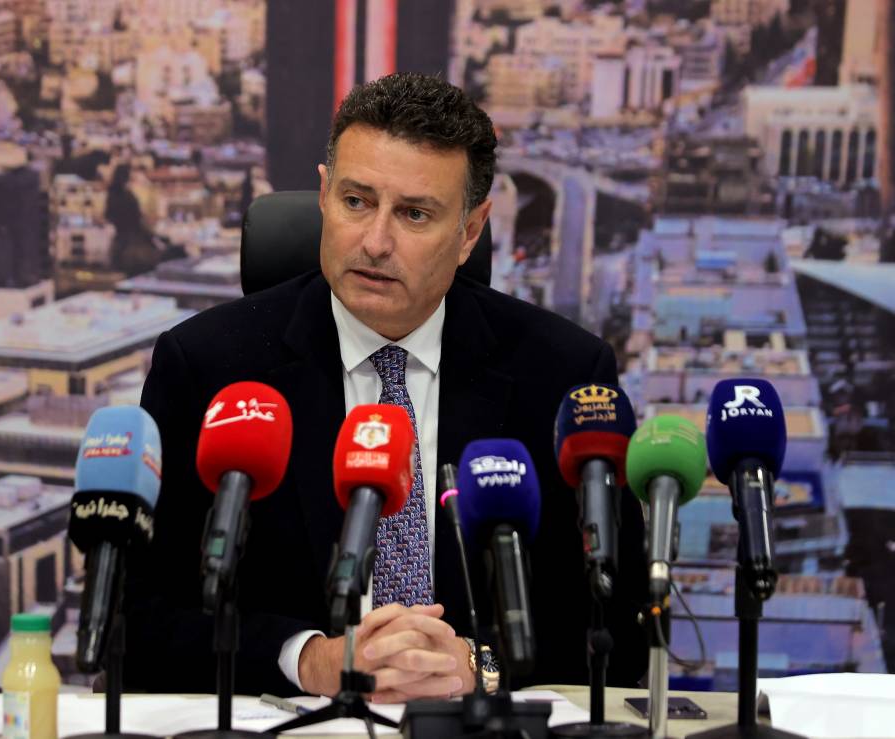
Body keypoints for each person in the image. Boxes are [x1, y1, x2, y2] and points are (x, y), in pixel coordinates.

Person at [124, 73, 647, 701]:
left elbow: (617, 626)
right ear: (323, 195)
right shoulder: (210, 368)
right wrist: (306, 659)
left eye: (414, 214)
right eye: (356, 201)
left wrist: (479, 665)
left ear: (471, 230)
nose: (375, 242)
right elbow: (136, 619)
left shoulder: (562, 375)